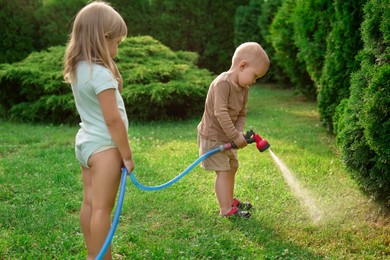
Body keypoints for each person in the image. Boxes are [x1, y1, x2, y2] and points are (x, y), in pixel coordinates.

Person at [63, 2, 134, 259]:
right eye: (116, 42)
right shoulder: (101, 74)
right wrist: (126, 154)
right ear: (104, 38)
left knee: (90, 203)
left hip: (86, 144)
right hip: (105, 147)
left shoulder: (79, 69)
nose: (117, 49)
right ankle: (102, 257)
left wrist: (114, 81)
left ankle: (93, 254)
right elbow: (113, 120)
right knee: (103, 210)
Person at [197, 42, 270, 218]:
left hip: (228, 137)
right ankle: (226, 210)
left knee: (232, 167)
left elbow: (242, 114)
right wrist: (234, 136)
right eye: (254, 76)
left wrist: (238, 134)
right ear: (242, 66)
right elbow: (220, 113)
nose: (253, 81)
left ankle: (230, 201)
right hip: (213, 137)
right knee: (222, 171)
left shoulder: (244, 89)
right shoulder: (222, 84)